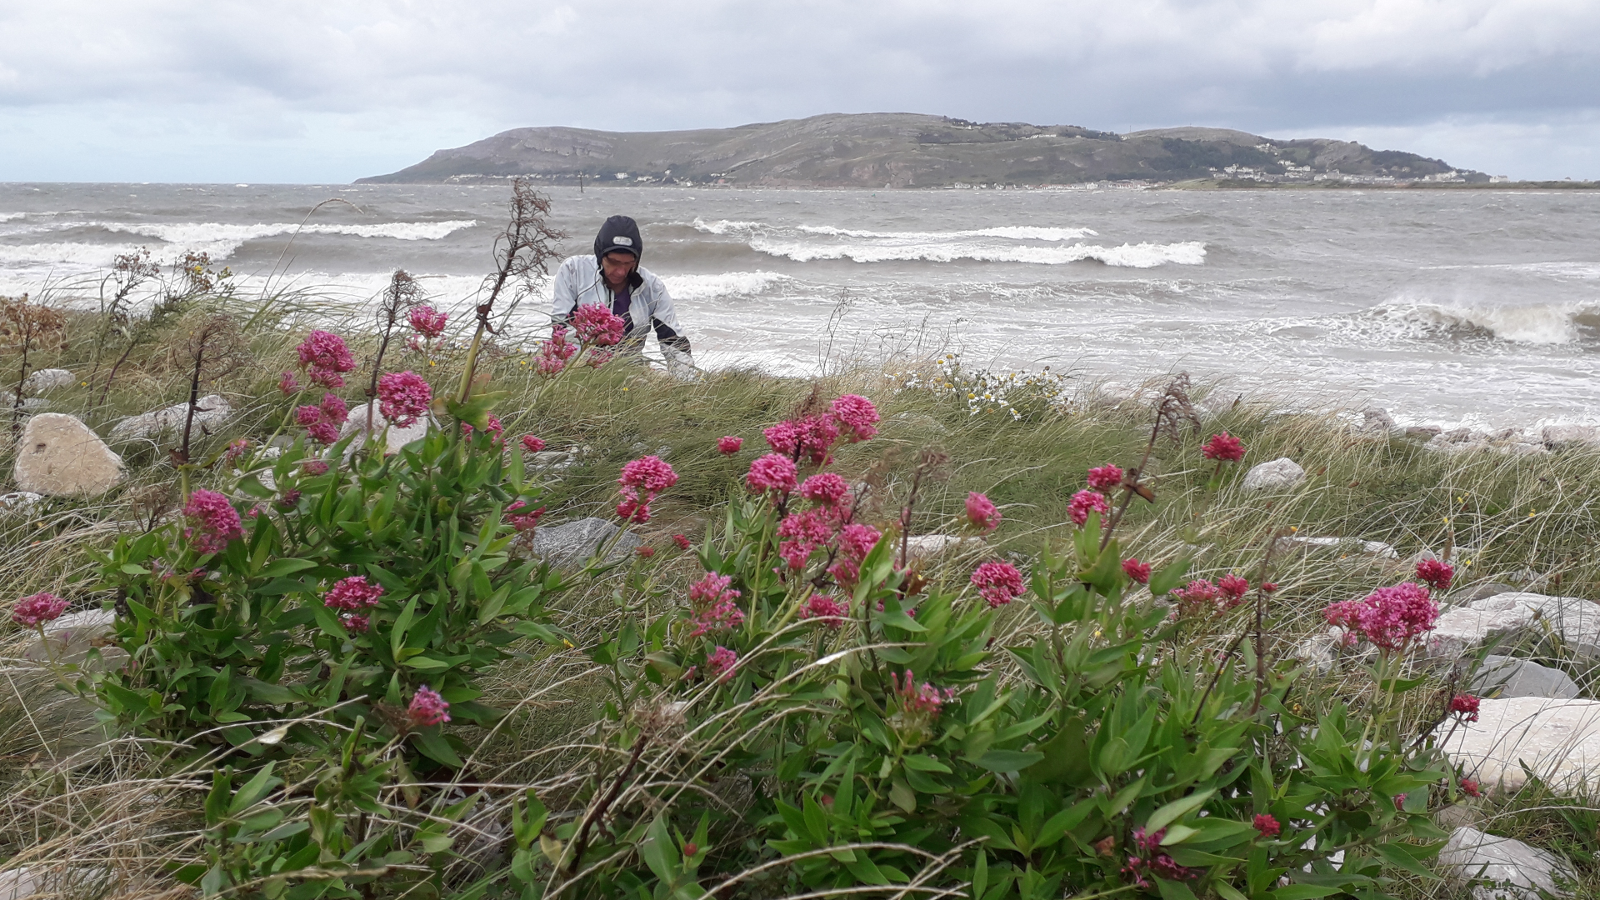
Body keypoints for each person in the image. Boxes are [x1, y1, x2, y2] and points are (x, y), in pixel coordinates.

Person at [551, 215, 696, 376]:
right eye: (613, 262)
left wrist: (687, 382)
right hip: (578, 366)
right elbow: (562, 329)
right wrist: (584, 371)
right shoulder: (573, 270)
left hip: (628, 370)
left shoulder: (653, 287)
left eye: (628, 264)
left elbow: (673, 342)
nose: (620, 271)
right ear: (600, 256)